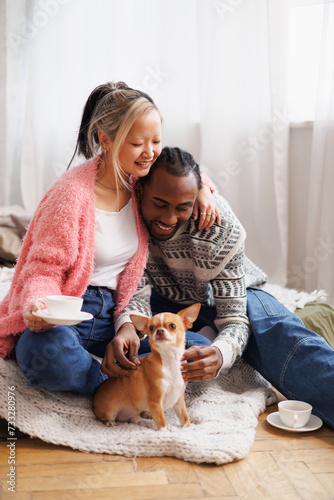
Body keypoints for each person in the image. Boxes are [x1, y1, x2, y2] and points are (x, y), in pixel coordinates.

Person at [0, 83, 213, 395]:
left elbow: (178, 174)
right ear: (105, 139)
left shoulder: (140, 185)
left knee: (195, 346)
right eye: (138, 142)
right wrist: (38, 307)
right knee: (50, 357)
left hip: (114, 314)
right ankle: (112, 383)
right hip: (65, 315)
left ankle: (109, 370)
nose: (150, 152)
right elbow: (43, 270)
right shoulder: (71, 194)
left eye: (156, 140)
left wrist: (205, 188)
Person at [117, 146, 334, 429]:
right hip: (164, 300)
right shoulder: (125, 220)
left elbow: (234, 318)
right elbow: (133, 295)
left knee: (275, 327)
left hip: (225, 292)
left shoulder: (219, 228)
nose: (169, 218)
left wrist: (220, 355)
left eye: (183, 206)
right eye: (160, 204)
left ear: (197, 198)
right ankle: (204, 333)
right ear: (141, 191)